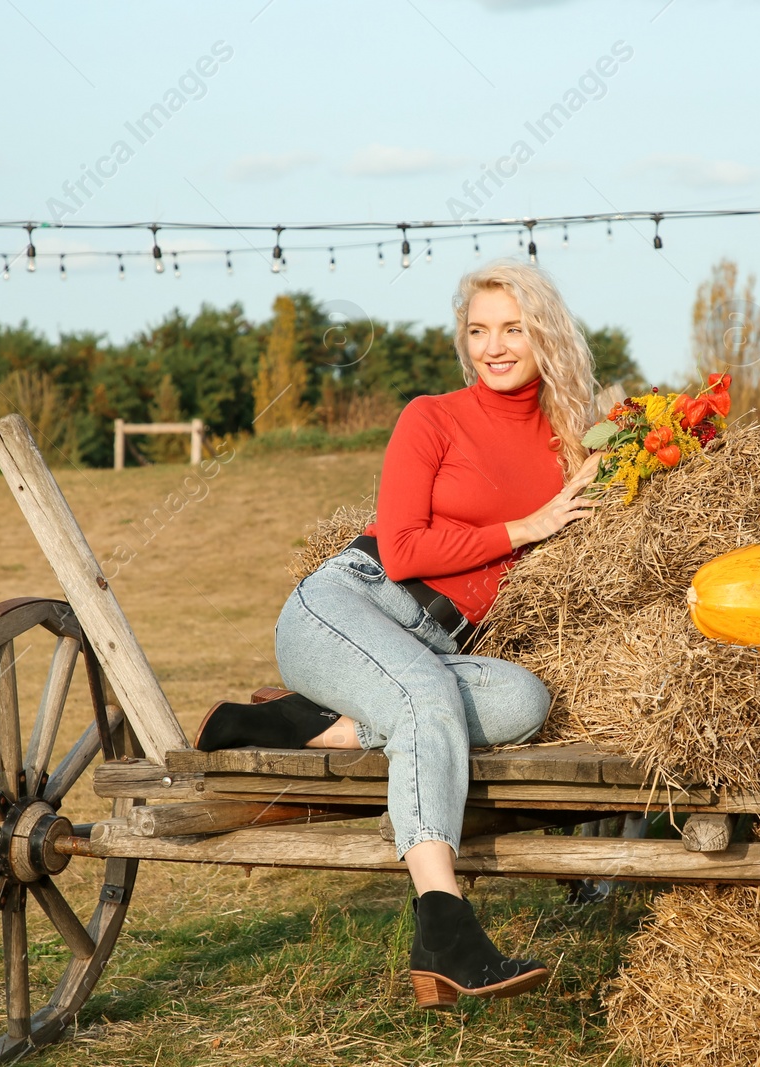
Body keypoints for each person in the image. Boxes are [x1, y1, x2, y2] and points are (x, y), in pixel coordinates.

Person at [268, 261, 602, 1009]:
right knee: (425, 698)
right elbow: (406, 551)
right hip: (349, 604)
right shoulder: (432, 415)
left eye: (513, 328)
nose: (495, 346)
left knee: (523, 697)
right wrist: (529, 525)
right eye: (479, 330)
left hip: (438, 643)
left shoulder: (567, 441)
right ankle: (444, 927)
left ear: (544, 332)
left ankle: (293, 720)